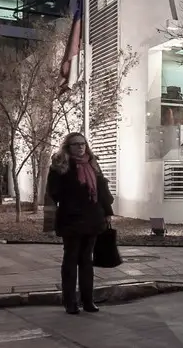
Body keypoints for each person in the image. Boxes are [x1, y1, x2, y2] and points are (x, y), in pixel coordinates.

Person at [47, 132, 114, 314]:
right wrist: (73, 198)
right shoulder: (60, 166)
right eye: (76, 144)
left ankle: (88, 300)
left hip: (92, 218)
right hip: (71, 219)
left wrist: (107, 212)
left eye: (83, 144)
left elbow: (102, 191)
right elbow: (54, 192)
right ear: (68, 147)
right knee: (70, 260)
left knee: (86, 261)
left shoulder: (92, 164)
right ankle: (70, 302)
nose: (80, 147)